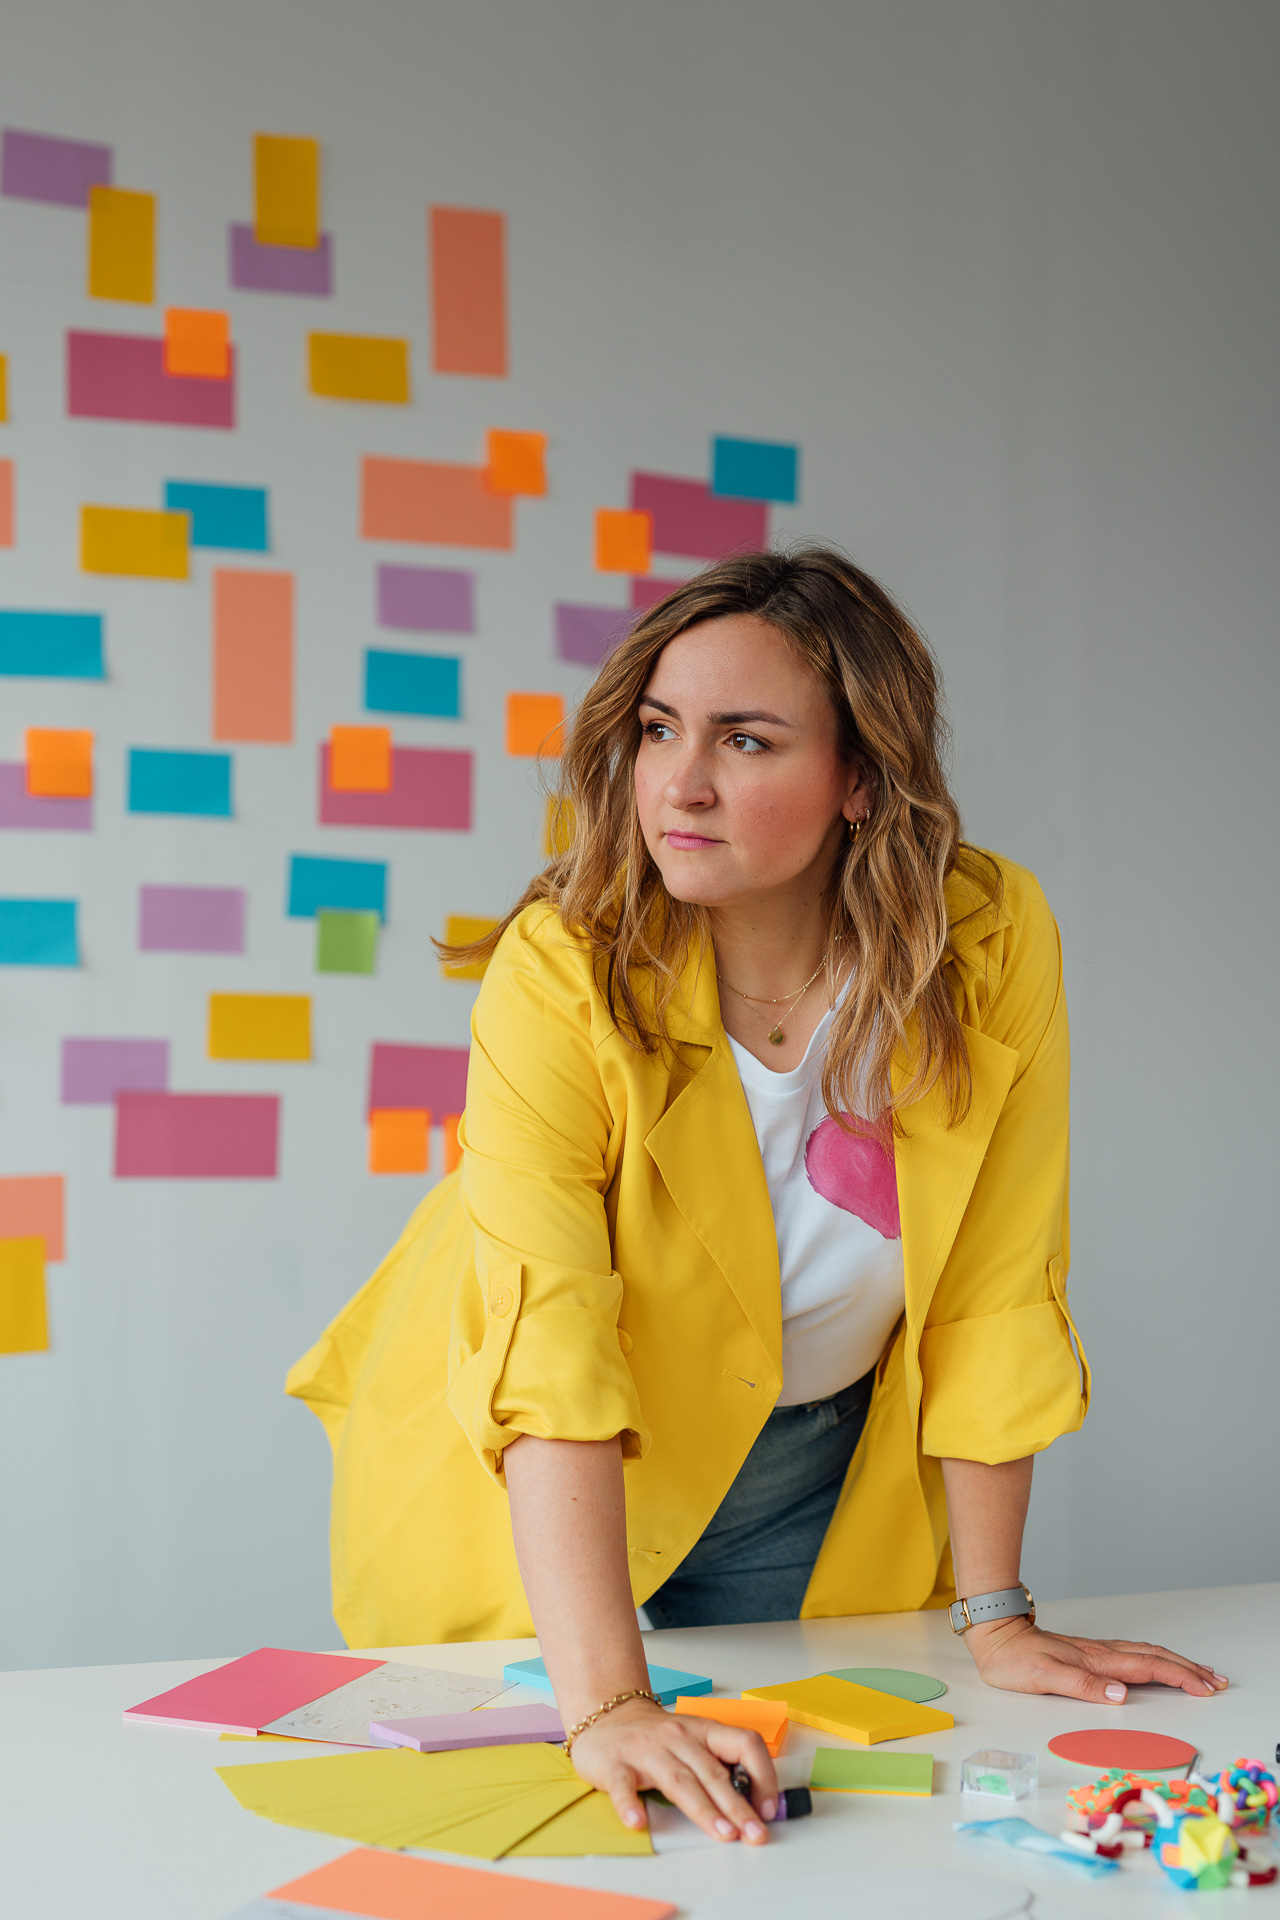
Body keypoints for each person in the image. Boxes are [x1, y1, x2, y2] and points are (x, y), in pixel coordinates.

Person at [288, 546, 1225, 1847]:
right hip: (543, 1479)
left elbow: (1000, 1286)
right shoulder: (563, 968)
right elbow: (549, 1339)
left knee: (814, 1842)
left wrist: (997, 1617)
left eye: (747, 739)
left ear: (859, 778)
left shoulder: (993, 940)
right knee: (567, 1842)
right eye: (659, 730)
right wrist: (610, 1697)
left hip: (815, 1476)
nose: (680, 782)